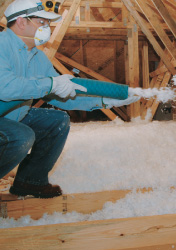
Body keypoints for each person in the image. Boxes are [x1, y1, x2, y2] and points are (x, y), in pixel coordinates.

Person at [0, 0, 139, 198]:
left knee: (57, 120)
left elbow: (62, 94)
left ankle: (30, 182)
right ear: (22, 22)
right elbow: (5, 88)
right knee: (21, 136)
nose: (46, 28)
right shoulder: (1, 46)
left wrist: (102, 102)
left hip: (12, 115)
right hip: (5, 118)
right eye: (42, 22)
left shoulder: (37, 58)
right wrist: (49, 84)